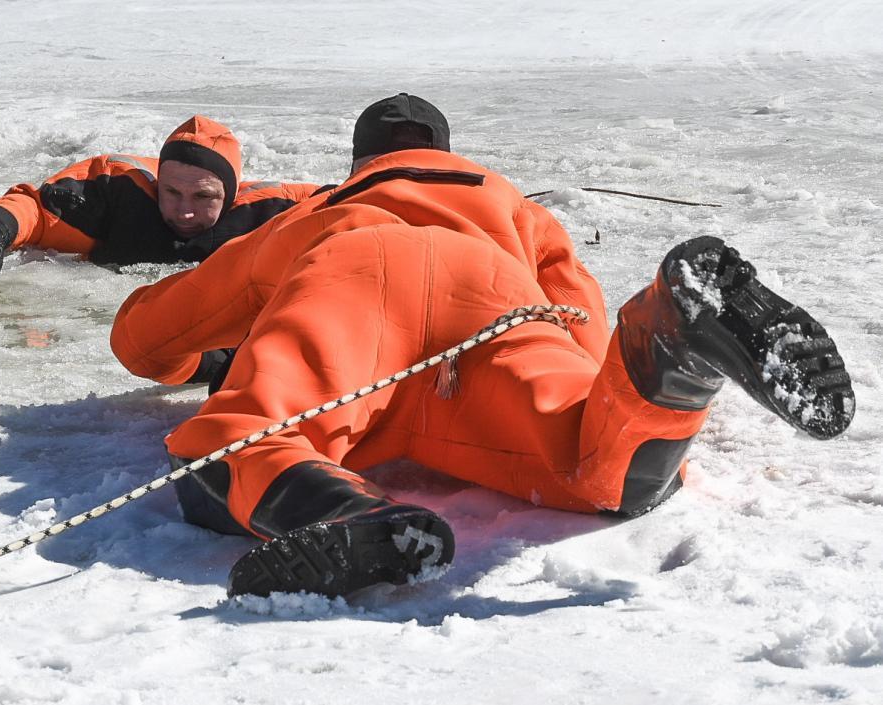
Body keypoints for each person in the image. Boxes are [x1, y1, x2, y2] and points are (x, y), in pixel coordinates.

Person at [110, 94, 857, 599]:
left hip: (353, 275)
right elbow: (575, 307)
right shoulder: (508, 205)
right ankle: (671, 342)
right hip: (496, 297)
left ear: (358, 159)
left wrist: (195, 361)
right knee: (590, 462)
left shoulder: (326, 207)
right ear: (446, 152)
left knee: (242, 434)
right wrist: (587, 375)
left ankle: (345, 512)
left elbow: (150, 335)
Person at [0, 115, 319, 282]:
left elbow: (362, 198)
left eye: (203, 196)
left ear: (230, 194)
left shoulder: (268, 209)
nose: (184, 210)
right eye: (171, 192)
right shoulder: (118, 191)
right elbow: (36, 208)